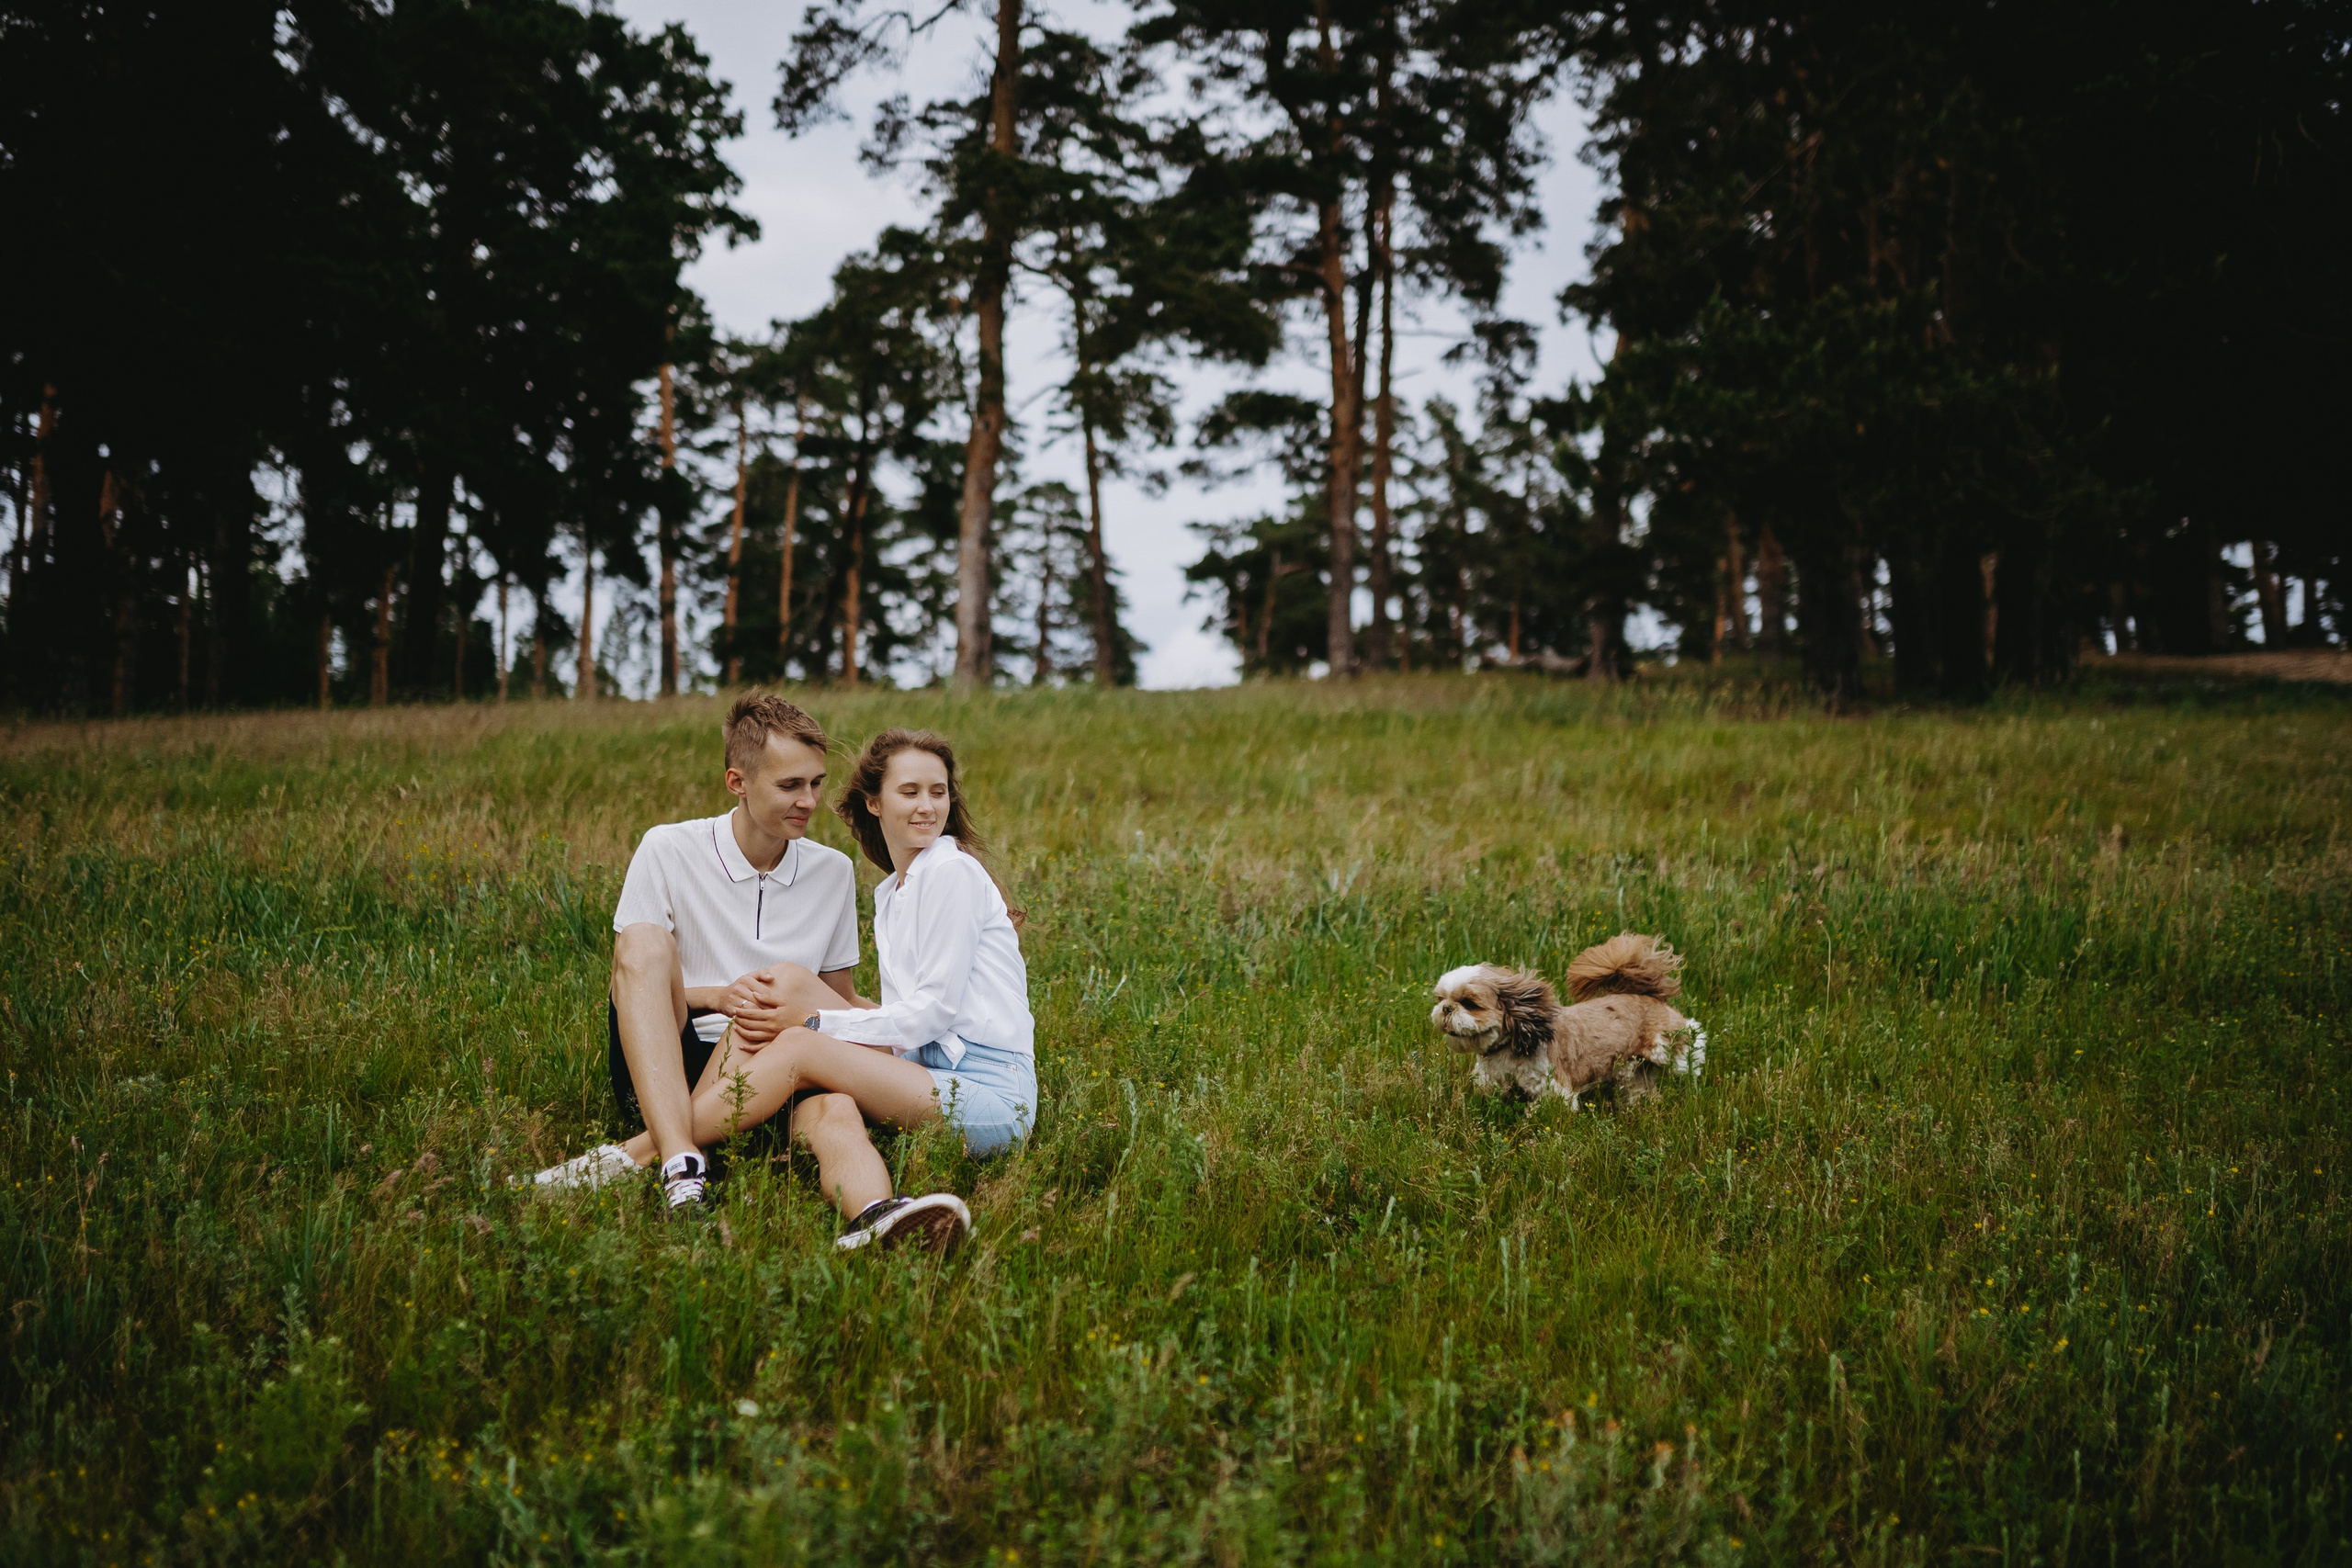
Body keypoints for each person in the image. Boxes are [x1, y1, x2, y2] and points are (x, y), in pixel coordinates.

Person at [526, 694, 963, 1245]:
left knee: (836, 1109)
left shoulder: (831, 871)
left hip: (781, 1069)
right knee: (642, 942)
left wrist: (920, 1029)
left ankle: (877, 1218)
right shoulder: (667, 848)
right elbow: (633, 977)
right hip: (671, 1059)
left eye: (816, 783)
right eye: (790, 786)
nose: (808, 801)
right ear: (737, 781)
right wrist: (717, 997)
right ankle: (681, 1157)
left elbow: (838, 999)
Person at [610, 727, 1037, 1254]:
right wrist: (800, 1015)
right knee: (783, 986)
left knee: (797, 1043)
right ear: (874, 803)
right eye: (910, 792)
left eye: (939, 791)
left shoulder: (949, 872)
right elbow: (896, 1013)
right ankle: (875, 1219)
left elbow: (928, 1014)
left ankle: (632, 1158)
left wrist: (812, 1025)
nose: (929, 806)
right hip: (932, 1067)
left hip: (991, 1095)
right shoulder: (894, 891)